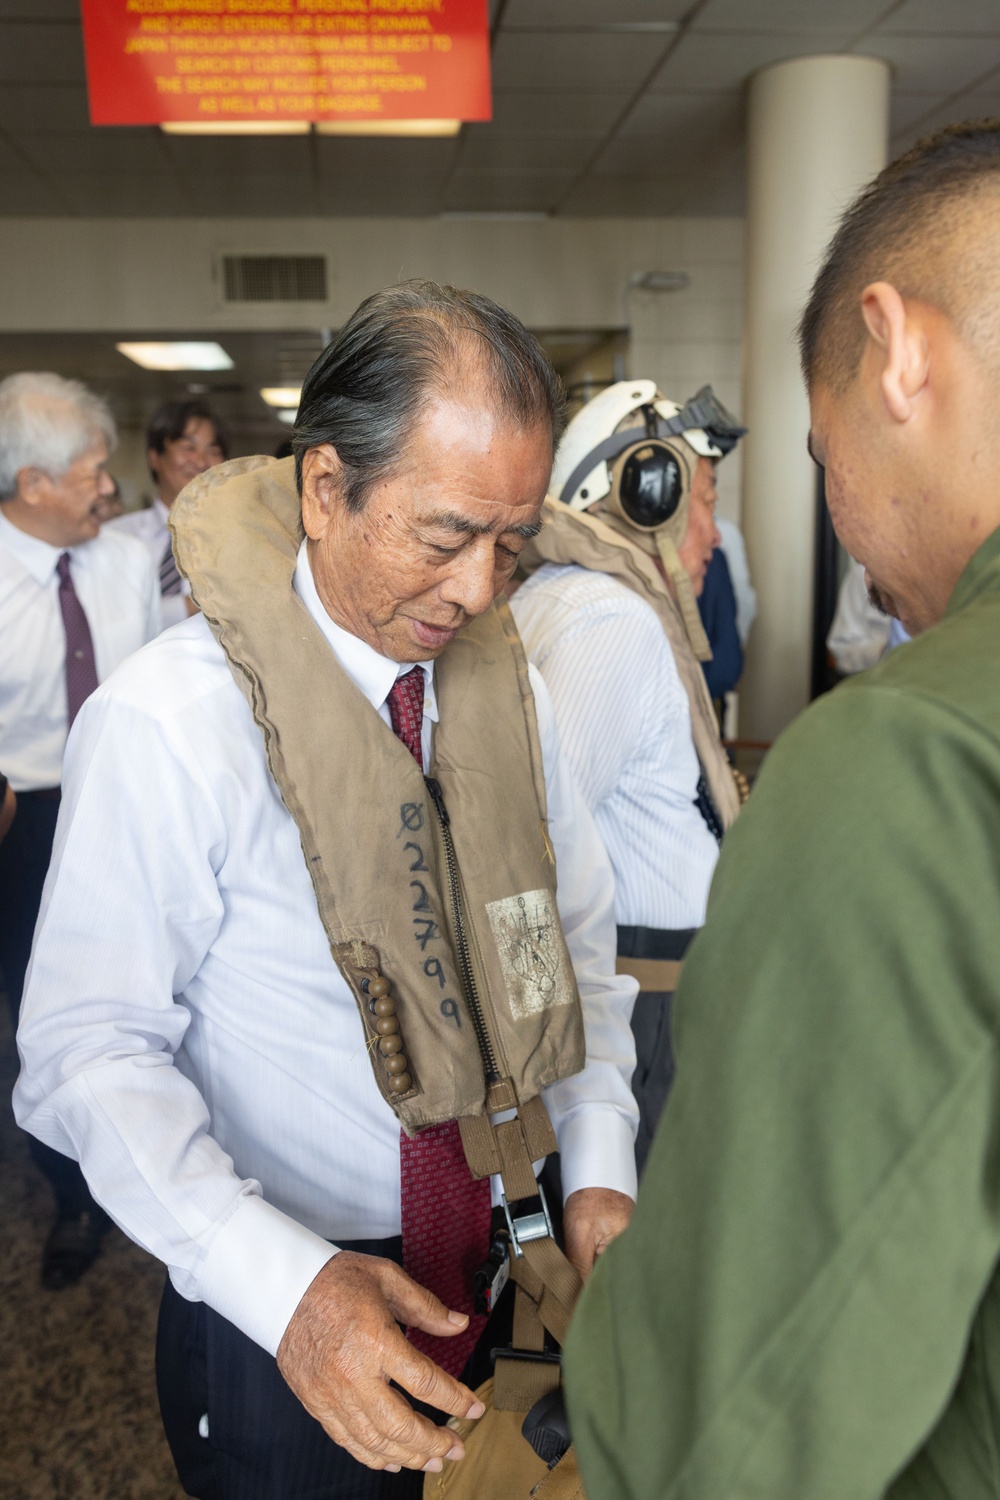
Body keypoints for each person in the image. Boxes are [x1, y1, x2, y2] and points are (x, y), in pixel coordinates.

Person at [14, 282, 638, 1499]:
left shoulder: (505, 696)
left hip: (509, 1263)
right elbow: (87, 1052)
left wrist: (600, 1160)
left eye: (511, 545)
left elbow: (569, 945)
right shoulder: (168, 722)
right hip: (289, 1292)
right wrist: (283, 1288)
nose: (478, 591)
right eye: (443, 537)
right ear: (323, 488)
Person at [564, 117, 1000, 1500]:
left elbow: (723, 1418)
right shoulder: (604, 628)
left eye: (819, 455)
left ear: (897, 351)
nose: (840, 528)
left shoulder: (907, 756)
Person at [512, 381, 746, 1172]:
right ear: (650, 497)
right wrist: (532, 1055)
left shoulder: (562, 597)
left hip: (631, 1001)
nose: (713, 535)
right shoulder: (610, 621)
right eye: (704, 503)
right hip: (635, 1014)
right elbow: (529, 853)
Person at [0, 371, 160, 1289]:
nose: (109, 487)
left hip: (125, 797)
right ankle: (73, 1196)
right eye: (92, 472)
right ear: (33, 484)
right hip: (22, 818)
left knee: (148, 987)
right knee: (44, 1010)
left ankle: (160, 1174)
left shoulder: (126, 561)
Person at [110, 398, 227, 628]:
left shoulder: (235, 540)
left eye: (213, 451)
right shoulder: (118, 537)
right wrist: (194, 606)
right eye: (189, 448)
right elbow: (110, 617)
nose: (201, 462)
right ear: (154, 457)